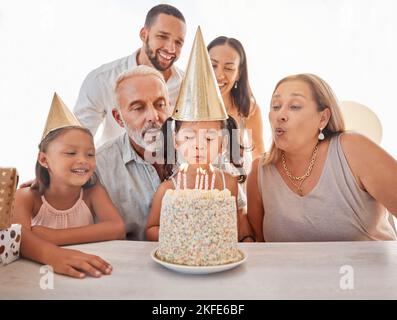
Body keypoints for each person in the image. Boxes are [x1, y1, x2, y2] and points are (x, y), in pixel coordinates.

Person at [247, 73, 397, 242]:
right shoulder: (259, 172)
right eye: (275, 106)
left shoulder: (353, 149)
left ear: (323, 118)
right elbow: (259, 248)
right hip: (292, 269)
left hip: (374, 268)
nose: (280, 115)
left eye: (295, 106)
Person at [146, 27, 252, 241]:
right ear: (175, 141)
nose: (199, 145)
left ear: (223, 144)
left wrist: (248, 240)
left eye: (210, 138)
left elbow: (240, 222)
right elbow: (151, 229)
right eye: (188, 137)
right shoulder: (169, 188)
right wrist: (185, 236)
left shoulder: (228, 184)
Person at [12, 93, 125, 278]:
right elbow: (17, 238)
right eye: (71, 153)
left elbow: (117, 228)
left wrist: (55, 237)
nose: (83, 160)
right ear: (44, 159)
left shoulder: (93, 192)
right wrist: (53, 254)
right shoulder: (25, 197)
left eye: (90, 154)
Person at [74, 4, 186, 146]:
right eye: (162, 36)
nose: (171, 48)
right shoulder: (102, 80)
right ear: (144, 34)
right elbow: (76, 140)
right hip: (115, 165)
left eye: (178, 42)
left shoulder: (187, 86)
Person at [94, 65, 169, 240]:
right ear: (119, 118)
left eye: (160, 105)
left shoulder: (199, 150)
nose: (153, 116)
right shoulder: (99, 166)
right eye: (138, 107)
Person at [208, 36, 265, 163]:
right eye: (212, 65)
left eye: (228, 68)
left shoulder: (249, 110)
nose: (219, 75)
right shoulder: (186, 105)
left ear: (238, 73)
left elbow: (259, 159)